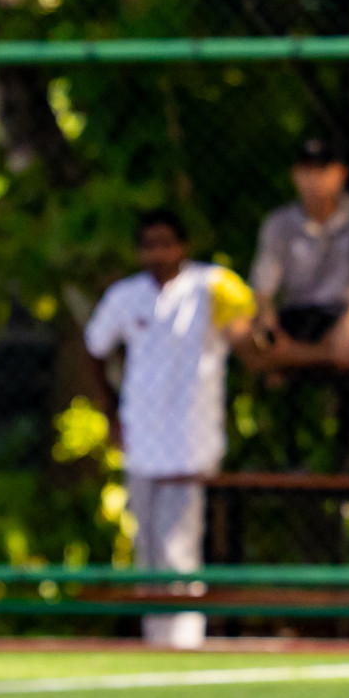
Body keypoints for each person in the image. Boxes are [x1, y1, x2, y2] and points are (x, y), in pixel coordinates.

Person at [85, 210, 256, 649]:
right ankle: (155, 643)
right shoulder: (126, 296)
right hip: (142, 438)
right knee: (148, 550)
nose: (158, 253)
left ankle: (183, 645)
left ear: (183, 246)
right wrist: (111, 415)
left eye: (166, 243)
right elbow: (95, 348)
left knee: (180, 550)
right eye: (149, 244)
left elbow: (245, 340)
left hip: (192, 440)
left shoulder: (212, 286)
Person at [248, 138, 349, 369]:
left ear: (341, 173)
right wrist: (266, 318)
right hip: (299, 316)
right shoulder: (278, 223)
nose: (314, 179)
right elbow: (263, 286)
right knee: (249, 336)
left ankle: (310, 354)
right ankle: (340, 354)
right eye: (307, 171)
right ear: (294, 175)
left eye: (323, 170)